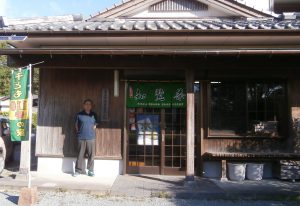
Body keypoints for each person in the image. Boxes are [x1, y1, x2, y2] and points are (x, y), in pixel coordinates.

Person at [73, 99, 98, 177]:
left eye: (89, 104)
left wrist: (90, 131)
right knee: (80, 154)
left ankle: (90, 171)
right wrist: (79, 132)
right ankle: (78, 170)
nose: (88, 105)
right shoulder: (79, 114)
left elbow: (95, 125)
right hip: (81, 137)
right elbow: (76, 125)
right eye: (86, 104)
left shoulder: (94, 114)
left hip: (91, 137)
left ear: (91, 106)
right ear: (84, 105)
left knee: (91, 155)